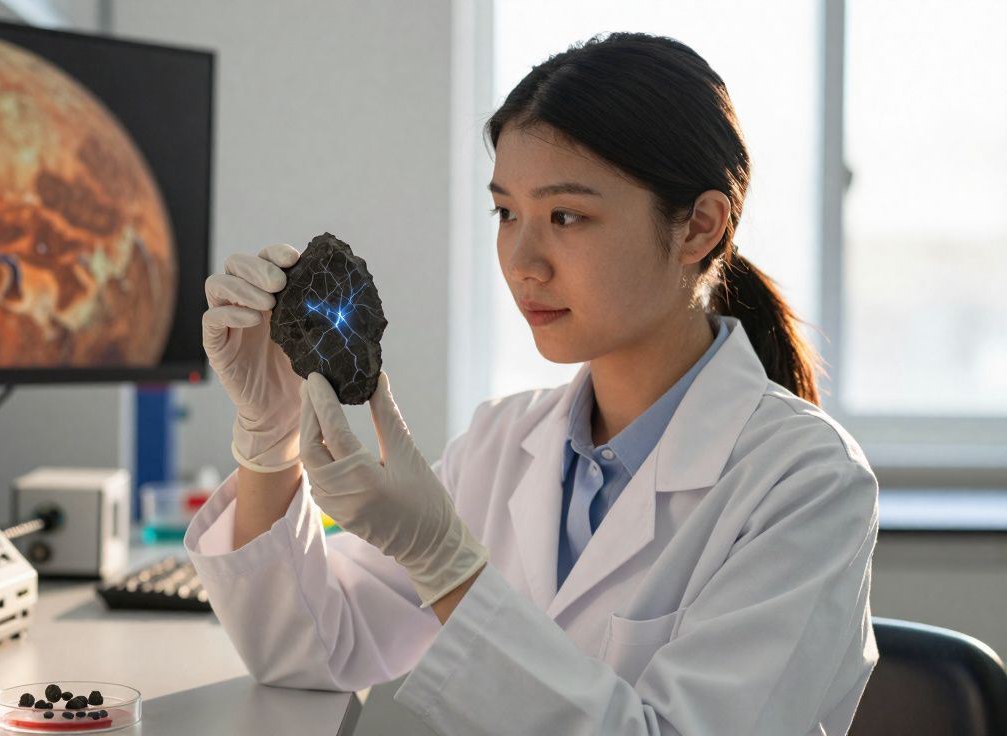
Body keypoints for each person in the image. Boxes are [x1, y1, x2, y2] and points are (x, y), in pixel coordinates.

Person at [189, 31, 878, 735]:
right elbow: (308, 654)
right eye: (506, 212)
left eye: (566, 216)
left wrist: (450, 570)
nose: (522, 262)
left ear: (699, 227)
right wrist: (268, 441)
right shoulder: (503, 442)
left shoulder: (805, 482)